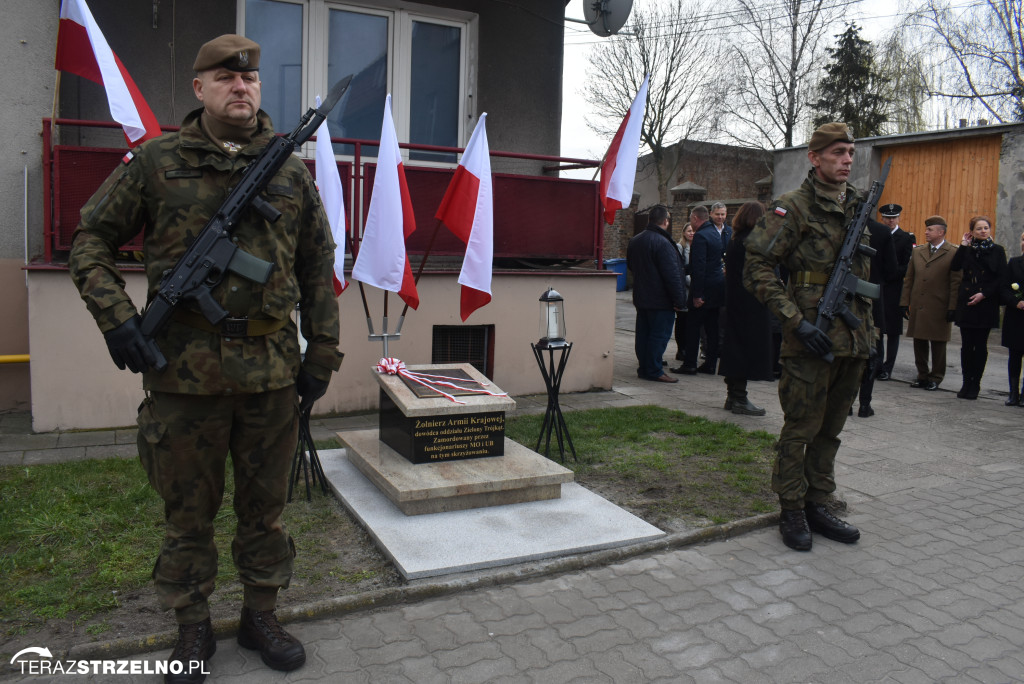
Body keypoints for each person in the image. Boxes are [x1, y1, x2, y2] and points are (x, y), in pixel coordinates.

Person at [68, 35, 343, 683]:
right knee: (187, 513)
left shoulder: (289, 170)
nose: (239, 87)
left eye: (247, 78)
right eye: (224, 78)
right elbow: (90, 241)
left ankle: (261, 614)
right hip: (182, 378)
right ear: (199, 89)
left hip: (272, 376)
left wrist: (322, 354)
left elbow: (317, 267)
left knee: (264, 510)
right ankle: (192, 628)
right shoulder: (157, 163)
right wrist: (118, 321)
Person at [743, 122, 870, 552]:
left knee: (831, 429)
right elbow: (756, 268)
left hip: (852, 339)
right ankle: (792, 508)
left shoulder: (858, 205)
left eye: (850, 153)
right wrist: (795, 321)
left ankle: (819, 501)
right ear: (814, 158)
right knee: (801, 428)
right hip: (809, 338)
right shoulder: (791, 207)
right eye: (837, 153)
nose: (847, 160)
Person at [718, 201, 773, 415]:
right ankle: (739, 397)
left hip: (736, 302)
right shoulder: (751, 241)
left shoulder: (736, 239)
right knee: (743, 350)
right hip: (750, 303)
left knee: (735, 347)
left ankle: (734, 396)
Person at [627, 204, 687, 383]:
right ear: (666, 221)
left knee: (643, 334)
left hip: (642, 296)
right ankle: (654, 369)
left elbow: (631, 266)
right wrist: (680, 300)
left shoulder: (635, 240)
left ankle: (644, 367)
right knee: (658, 336)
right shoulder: (664, 243)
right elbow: (672, 275)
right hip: (661, 299)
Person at [900, 216, 961, 391]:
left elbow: (955, 282)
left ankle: (936, 376)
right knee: (919, 342)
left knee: (938, 344)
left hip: (939, 305)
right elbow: (909, 279)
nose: (926, 232)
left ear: (941, 232)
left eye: (930, 230)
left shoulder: (953, 252)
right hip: (919, 303)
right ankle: (922, 375)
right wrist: (905, 302)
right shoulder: (918, 251)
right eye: (926, 229)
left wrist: (952, 307)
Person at [951, 216, 1007, 399]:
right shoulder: (968, 249)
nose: (983, 231)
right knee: (967, 346)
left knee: (980, 345)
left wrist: (984, 294)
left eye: (986, 228)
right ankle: (966, 382)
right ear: (972, 232)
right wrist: (963, 246)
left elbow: (1001, 278)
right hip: (967, 302)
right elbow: (955, 266)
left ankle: (976, 383)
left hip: (986, 302)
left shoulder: (997, 251)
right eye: (979, 229)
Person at [854, 219, 898, 417]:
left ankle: (846, 404)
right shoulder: (881, 231)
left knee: (849, 350)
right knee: (872, 350)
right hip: (872, 296)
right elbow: (891, 270)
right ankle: (865, 403)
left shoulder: (841, 225)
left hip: (847, 294)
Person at [679, 204, 730, 374]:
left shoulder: (700, 236)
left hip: (704, 288)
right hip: (717, 287)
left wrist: (697, 295)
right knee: (712, 327)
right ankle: (710, 364)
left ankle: (690, 364)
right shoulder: (714, 234)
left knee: (693, 327)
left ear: (694, 218)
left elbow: (699, 267)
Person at [877, 203, 915, 380]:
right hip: (878, 286)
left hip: (894, 287)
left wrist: (891, 274)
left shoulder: (906, 238)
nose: (890, 221)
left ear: (899, 219)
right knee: (878, 328)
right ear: (882, 219)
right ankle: (876, 364)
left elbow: (907, 265)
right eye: (887, 218)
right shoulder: (878, 234)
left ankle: (888, 367)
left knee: (892, 330)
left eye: (893, 218)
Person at [1001, 231, 1024, 406]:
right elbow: (1004, 288)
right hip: (1016, 316)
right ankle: (1013, 393)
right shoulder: (1014, 263)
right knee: (1014, 356)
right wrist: (1015, 302)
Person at [671, 221, 696, 367]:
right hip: (685, 290)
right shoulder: (680, 247)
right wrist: (692, 283)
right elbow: (680, 270)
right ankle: (681, 349)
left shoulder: (698, 245)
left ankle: (688, 348)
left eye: (693, 231)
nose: (691, 233)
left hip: (694, 290)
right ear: (684, 232)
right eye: (689, 231)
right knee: (682, 321)